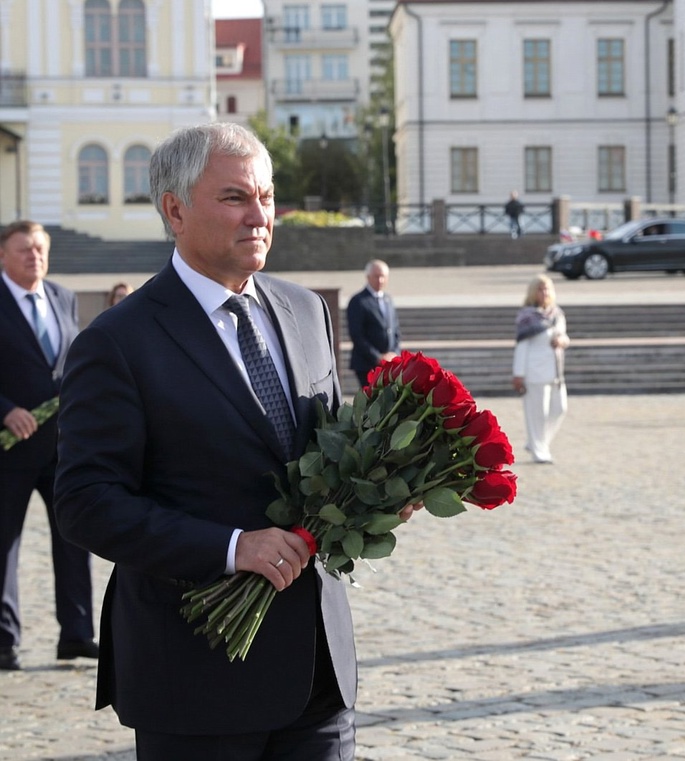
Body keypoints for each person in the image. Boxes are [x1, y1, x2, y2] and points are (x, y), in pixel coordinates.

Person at [54, 122, 361, 758]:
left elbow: (327, 454)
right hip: (194, 678)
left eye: (268, 197)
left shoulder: (308, 311)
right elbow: (87, 501)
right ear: (174, 209)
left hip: (318, 672)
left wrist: (379, 488)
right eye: (235, 198)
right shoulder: (117, 342)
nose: (260, 216)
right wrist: (230, 548)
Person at [0, 220, 97, 671]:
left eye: (40, 248)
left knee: (75, 537)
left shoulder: (63, 297)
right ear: (3, 255)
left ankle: (76, 634)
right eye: (24, 250)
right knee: (5, 544)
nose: (35, 256)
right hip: (10, 447)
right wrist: (4, 410)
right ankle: (3, 640)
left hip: (63, 445)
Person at [512, 274, 569, 464]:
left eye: (547, 289)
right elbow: (522, 347)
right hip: (533, 372)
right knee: (537, 414)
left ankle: (537, 441)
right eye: (540, 289)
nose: (544, 293)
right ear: (533, 292)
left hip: (556, 371)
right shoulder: (527, 317)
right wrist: (518, 374)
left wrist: (561, 341)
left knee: (560, 408)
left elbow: (565, 337)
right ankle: (539, 451)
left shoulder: (557, 314)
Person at [347, 259, 400, 387]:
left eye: (383, 276)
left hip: (389, 365)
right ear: (368, 277)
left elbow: (395, 330)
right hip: (367, 365)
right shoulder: (358, 301)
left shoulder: (388, 300)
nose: (380, 280)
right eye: (376, 276)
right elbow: (356, 334)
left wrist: (394, 354)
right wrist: (377, 357)